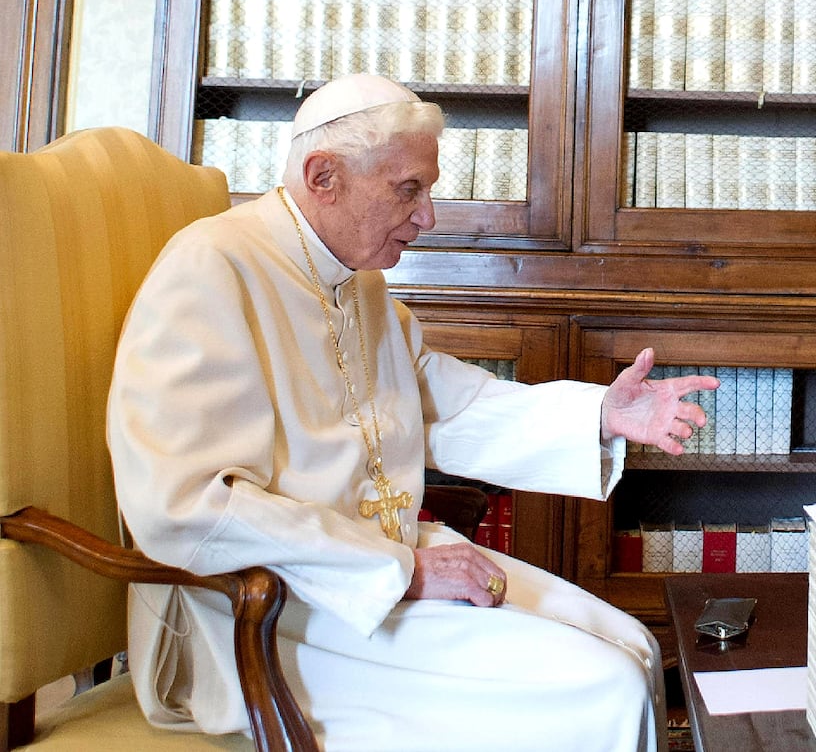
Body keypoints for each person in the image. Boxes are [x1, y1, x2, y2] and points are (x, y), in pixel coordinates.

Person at [107, 73, 718, 751]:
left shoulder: (354, 279)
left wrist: (602, 415)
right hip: (273, 608)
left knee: (633, 648)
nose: (427, 216)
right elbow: (181, 505)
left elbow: (442, 408)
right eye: (409, 190)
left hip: (373, 573)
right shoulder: (210, 269)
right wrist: (400, 573)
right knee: (603, 686)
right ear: (323, 176)